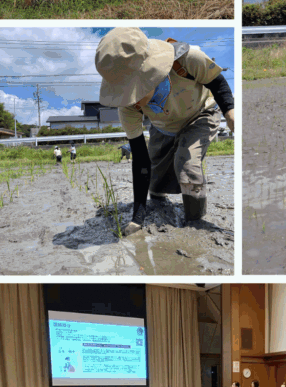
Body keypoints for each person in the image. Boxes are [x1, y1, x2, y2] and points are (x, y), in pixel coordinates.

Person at [94, 27, 235, 235]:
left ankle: (194, 221)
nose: (133, 100)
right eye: (126, 93)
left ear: (152, 71)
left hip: (200, 114)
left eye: (135, 89)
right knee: (155, 186)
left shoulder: (188, 59)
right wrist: (137, 218)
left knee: (187, 166)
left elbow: (217, 81)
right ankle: (159, 199)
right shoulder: (127, 108)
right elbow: (141, 161)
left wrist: (231, 114)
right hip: (163, 126)